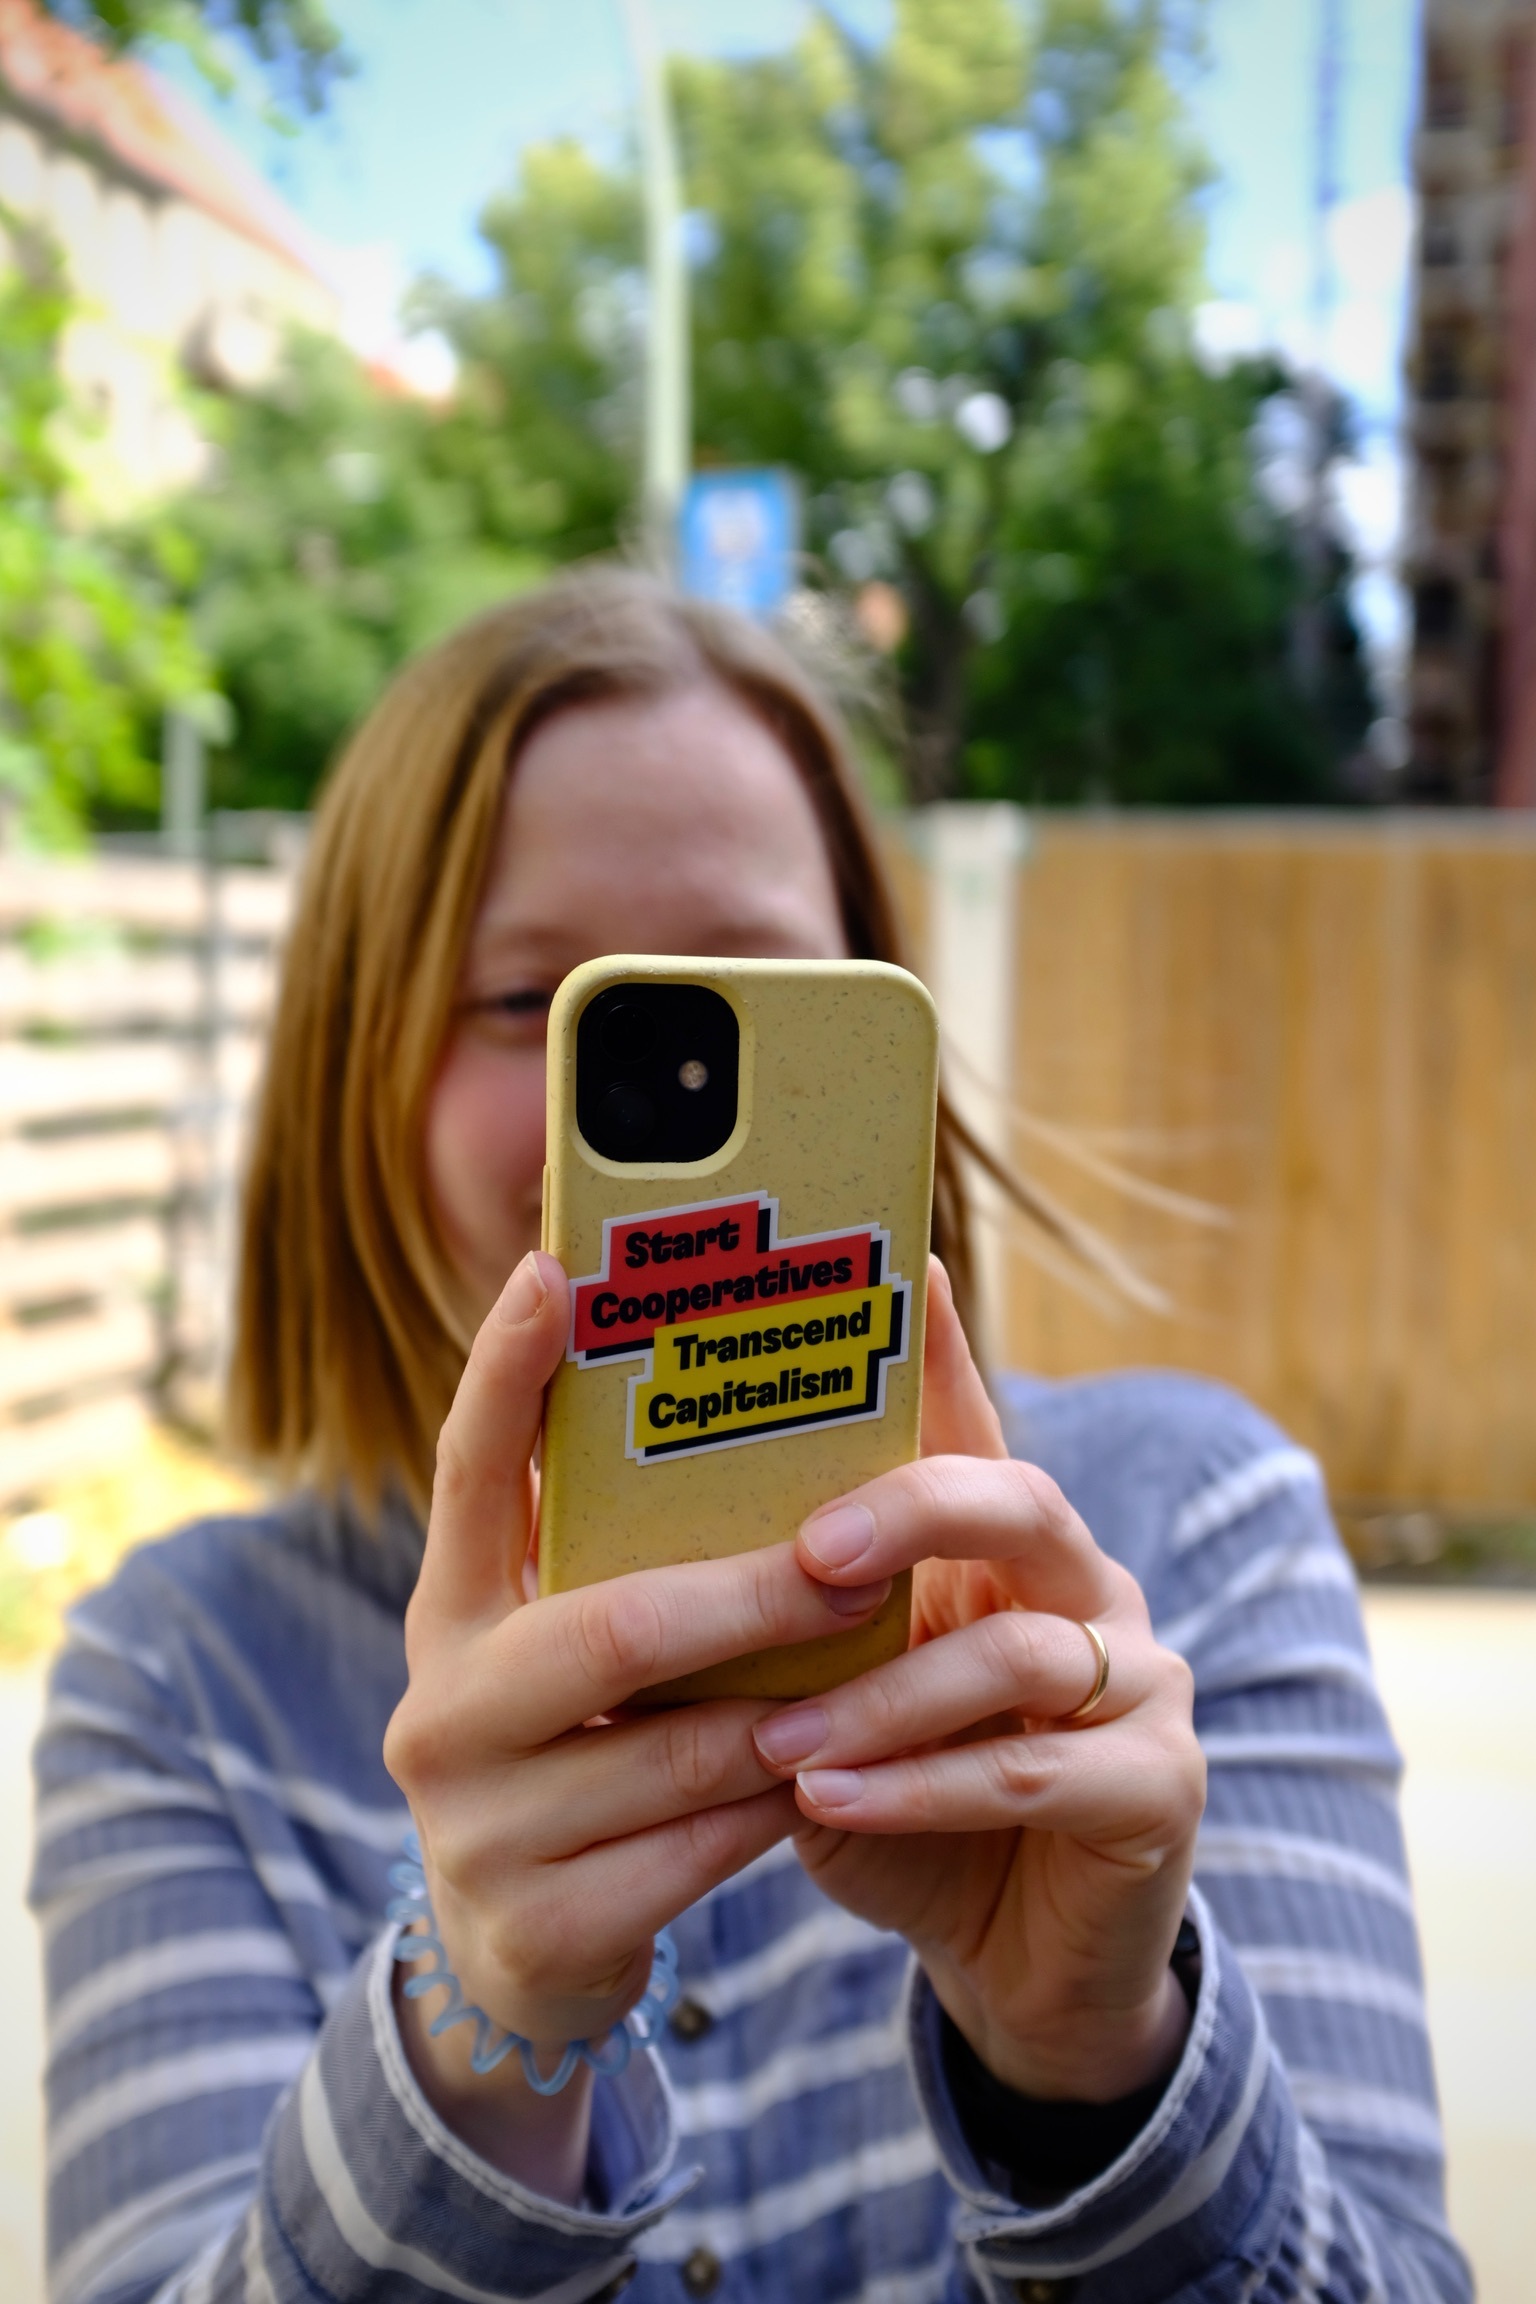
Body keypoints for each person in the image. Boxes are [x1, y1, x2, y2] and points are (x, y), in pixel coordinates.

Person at [32, 571, 1469, 2304]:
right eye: (543, 1007)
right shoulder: (179, 1679)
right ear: (359, 1066)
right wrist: (476, 2048)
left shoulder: (1189, 1536)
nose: (655, 1131)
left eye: (769, 990)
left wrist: (1098, 2066)